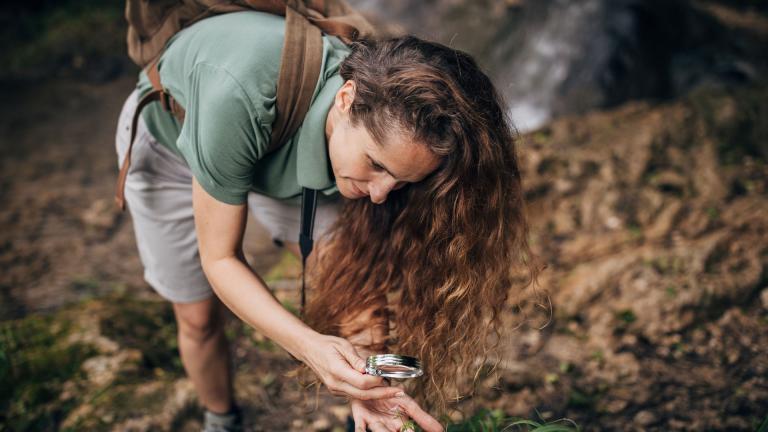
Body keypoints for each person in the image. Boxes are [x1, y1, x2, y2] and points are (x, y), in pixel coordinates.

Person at [115, 9, 536, 432]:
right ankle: (220, 418)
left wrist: (369, 391)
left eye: (399, 180)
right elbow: (220, 258)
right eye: (375, 164)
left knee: (351, 284)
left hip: (277, 143)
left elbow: (357, 289)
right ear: (345, 99)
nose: (377, 193)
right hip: (172, 144)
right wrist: (311, 346)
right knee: (198, 315)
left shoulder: (368, 149)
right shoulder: (238, 94)